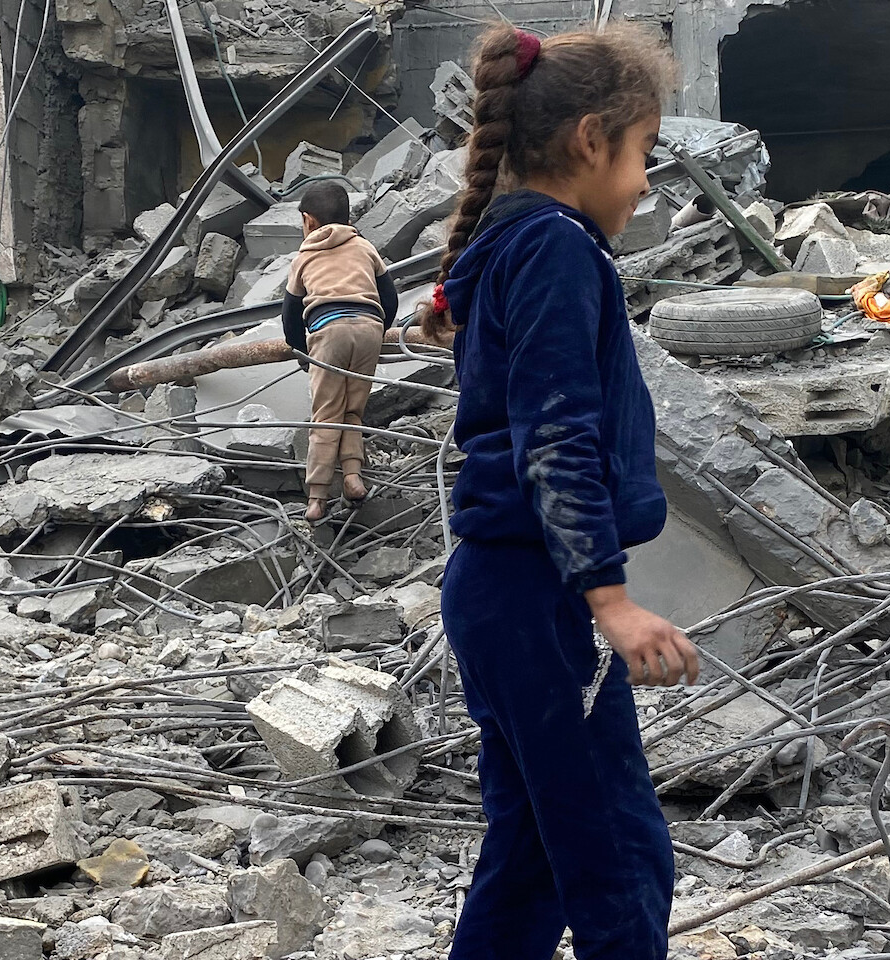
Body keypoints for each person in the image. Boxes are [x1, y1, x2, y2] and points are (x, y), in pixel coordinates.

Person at [413, 21, 697, 960]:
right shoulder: (557, 248)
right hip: (536, 596)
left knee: (534, 858)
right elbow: (557, 430)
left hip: (500, 591)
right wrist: (608, 601)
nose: (647, 180)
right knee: (620, 860)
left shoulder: (513, 241)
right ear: (589, 139)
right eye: (643, 152)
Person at [281, 181, 395, 522]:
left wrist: (304, 353)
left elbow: (290, 315)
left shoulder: (304, 257)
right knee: (353, 410)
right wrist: (378, 331)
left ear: (309, 221)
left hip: (328, 332)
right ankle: (352, 478)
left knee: (326, 414)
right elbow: (389, 297)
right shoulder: (364, 247)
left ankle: (316, 497)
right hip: (369, 327)